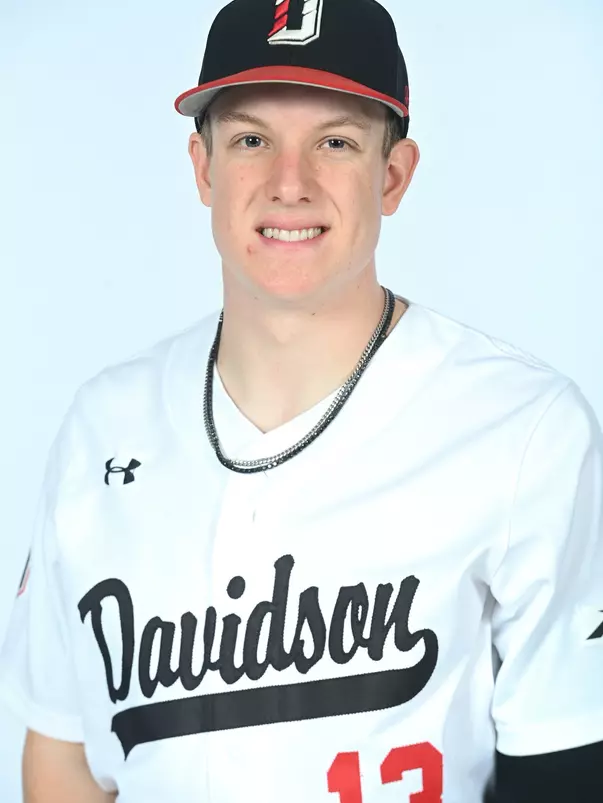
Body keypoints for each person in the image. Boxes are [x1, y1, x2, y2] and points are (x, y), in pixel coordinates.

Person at [1, 0, 602, 800]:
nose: (291, 183)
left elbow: (565, 764)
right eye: (252, 139)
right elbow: (65, 753)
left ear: (392, 176)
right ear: (202, 168)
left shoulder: (524, 428)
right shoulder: (101, 425)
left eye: (336, 142)